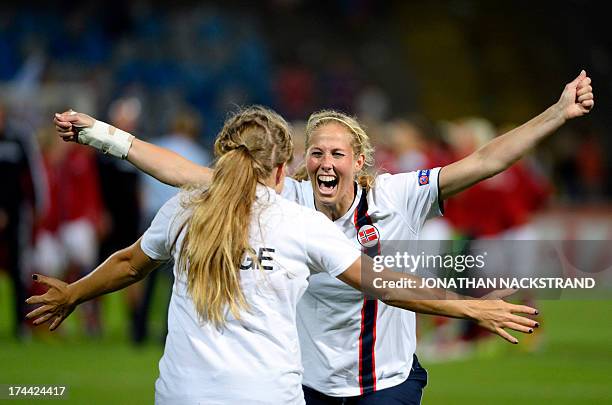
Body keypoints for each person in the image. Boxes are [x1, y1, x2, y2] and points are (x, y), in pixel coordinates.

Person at [53, 70, 592, 403]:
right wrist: (103, 135)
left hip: (385, 380)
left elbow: (487, 158)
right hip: (305, 385)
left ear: (360, 162)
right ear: (298, 164)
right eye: (316, 151)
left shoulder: (401, 193)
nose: (326, 161)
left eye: (338, 153)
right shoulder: (287, 205)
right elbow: (180, 172)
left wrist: (557, 113)